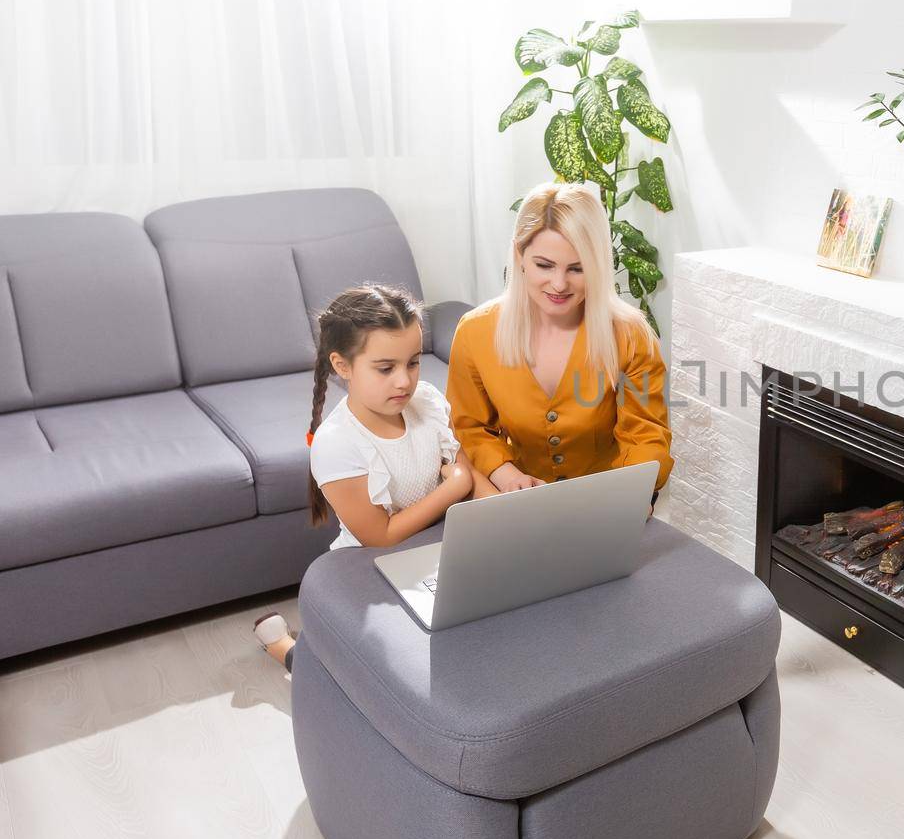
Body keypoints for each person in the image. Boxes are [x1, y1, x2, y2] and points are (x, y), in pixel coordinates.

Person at [251, 284, 496, 670]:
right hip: (371, 566)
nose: (404, 381)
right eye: (386, 368)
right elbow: (380, 536)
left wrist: (500, 511)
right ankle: (285, 648)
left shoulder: (427, 402)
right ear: (342, 366)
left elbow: (466, 470)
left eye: (413, 362)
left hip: (434, 548)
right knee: (346, 671)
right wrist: (457, 487)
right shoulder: (337, 444)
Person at [446, 182, 673, 508]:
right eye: (544, 265)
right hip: (517, 509)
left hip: (605, 506)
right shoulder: (475, 332)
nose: (559, 284)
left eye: (577, 268)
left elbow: (646, 435)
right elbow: (470, 428)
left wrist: (631, 491)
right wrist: (506, 474)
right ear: (520, 254)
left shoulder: (631, 335)